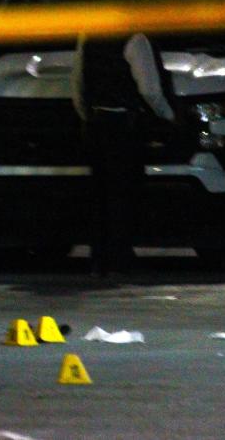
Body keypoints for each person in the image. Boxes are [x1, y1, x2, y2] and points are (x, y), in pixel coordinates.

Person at [72, 30, 176, 277]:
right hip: (123, 127)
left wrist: (86, 116)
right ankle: (121, 257)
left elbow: (77, 83)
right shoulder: (136, 40)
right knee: (124, 193)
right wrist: (168, 115)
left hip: (97, 123)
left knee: (100, 194)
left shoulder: (88, 39)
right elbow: (149, 89)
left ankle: (99, 258)